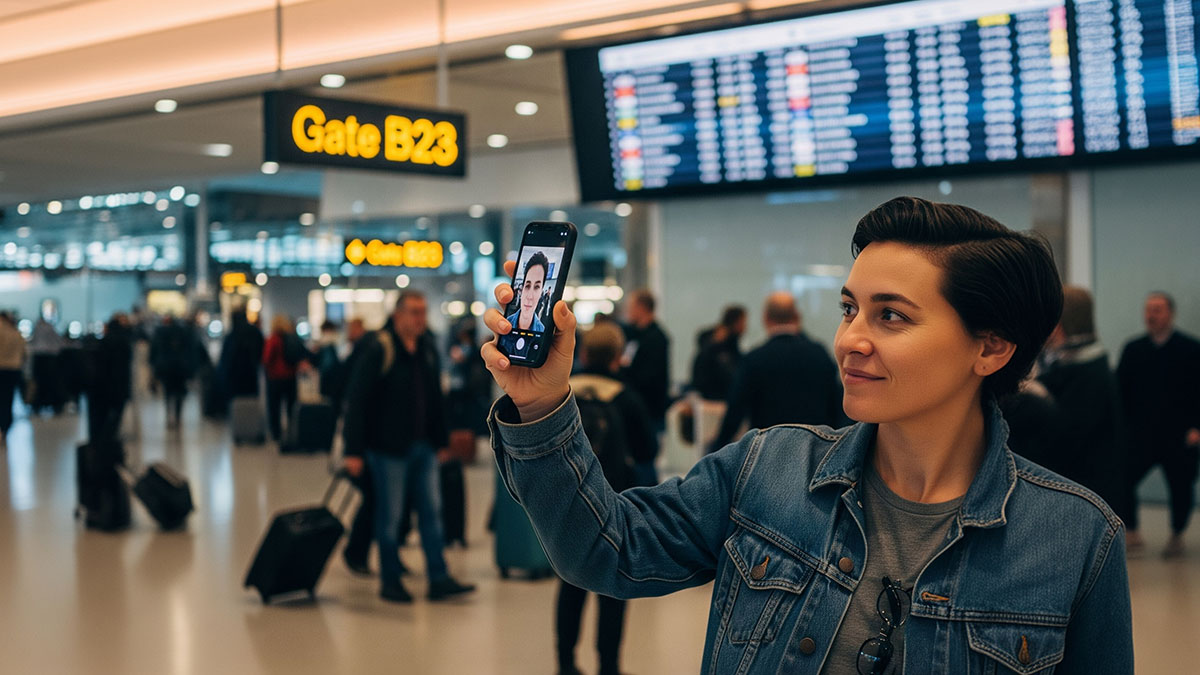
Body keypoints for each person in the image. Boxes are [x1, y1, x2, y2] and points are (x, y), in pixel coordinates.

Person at [481, 196, 1131, 674]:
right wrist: (540, 405)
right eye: (850, 308)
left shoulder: (1074, 538)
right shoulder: (770, 466)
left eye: (892, 316)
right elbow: (606, 549)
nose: (850, 339)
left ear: (989, 348)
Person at [341, 292, 475, 602]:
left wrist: (441, 442)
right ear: (398, 314)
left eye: (423, 311)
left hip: (423, 448)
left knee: (432, 514)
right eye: (414, 312)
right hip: (388, 450)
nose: (420, 318)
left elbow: (434, 400)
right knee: (390, 518)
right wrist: (353, 450)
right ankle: (390, 580)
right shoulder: (380, 348)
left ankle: (438, 577)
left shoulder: (426, 349)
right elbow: (357, 401)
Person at [557, 321, 658, 675]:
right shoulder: (626, 398)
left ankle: (566, 662)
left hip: (571, 502)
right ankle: (609, 665)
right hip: (615, 502)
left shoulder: (565, 393)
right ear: (618, 357)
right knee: (613, 587)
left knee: (570, 583)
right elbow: (648, 449)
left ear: (583, 353)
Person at [1116, 291, 1200, 558]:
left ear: (1170, 314)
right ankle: (1132, 531)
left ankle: (1177, 534)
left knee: (1181, 486)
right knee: (1123, 476)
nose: (1151, 315)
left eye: (1158, 310)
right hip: (1141, 434)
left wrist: (1196, 427)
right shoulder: (1133, 349)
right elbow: (1120, 391)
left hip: (1180, 434)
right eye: (1149, 310)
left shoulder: (1190, 348)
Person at [709, 292, 845, 452]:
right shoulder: (819, 354)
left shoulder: (755, 358)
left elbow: (735, 411)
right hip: (816, 451)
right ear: (797, 317)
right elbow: (836, 404)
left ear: (765, 318)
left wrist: (716, 449)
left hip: (767, 454)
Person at [1031, 286, 1124, 511]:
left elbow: (1062, 439)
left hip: (1079, 491)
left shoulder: (1084, 373)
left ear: (1059, 326)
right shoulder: (1082, 363)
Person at [86, 314, 134, 443]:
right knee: (115, 418)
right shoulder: (125, 344)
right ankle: (110, 440)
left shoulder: (102, 343)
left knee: (101, 419)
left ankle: (101, 442)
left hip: (102, 388)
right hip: (119, 387)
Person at [261, 314, 308, 443]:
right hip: (290, 377)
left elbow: (266, 358)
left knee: (274, 407)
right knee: (291, 407)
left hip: (275, 378)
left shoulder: (273, 339)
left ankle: (276, 434)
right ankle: (292, 432)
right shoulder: (292, 338)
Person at [690, 305, 747, 401]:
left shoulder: (729, 345)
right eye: (743, 322)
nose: (745, 327)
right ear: (735, 322)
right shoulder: (720, 347)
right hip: (713, 400)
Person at [150, 315, 198, 429]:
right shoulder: (184, 332)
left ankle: (169, 416)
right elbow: (191, 351)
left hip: (167, 368)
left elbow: (155, 352)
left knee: (168, 393)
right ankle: (177, 417)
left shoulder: (161, 333)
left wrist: (155, 369)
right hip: (180, 368)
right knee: (179, 394)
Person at [218, 308, 264, 401]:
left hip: (235, 376)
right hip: (251, 373)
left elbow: (226, 359)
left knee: (236, 402)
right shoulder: (254, 332)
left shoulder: (232, 335)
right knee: (250, 400)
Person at [29, 316, 64, 415]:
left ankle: (38, 406)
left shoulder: (38, 328)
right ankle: (53, 405)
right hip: (49, 358)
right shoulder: (49, 328)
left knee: (40, 383)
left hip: (41, 357)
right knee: (50, 383)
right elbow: (58, 342)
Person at [508, 252, 549, 332]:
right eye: (527, 286)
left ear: (541, 291)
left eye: (536, 287)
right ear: (522, 289)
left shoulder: (542, 330)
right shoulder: (506, 323)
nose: (530, 297)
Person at [0, 312, 25, 444]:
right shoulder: (16, 333)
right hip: (13, 369)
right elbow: (24, 352)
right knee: (8, 399)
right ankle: (5, 428)